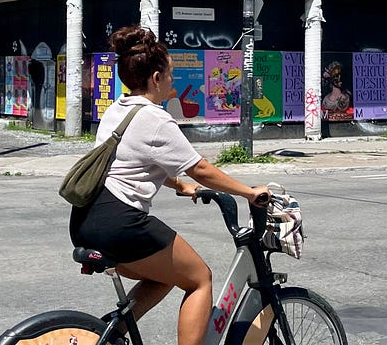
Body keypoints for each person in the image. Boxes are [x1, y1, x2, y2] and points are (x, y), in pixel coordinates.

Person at [70, 26, 270, 345]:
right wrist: (249, 192)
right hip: (122, 224)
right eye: (171, 75)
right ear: (156, 78)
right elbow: (202, 168)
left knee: (164, 276)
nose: (173, 82)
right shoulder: (157, 119)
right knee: (200, 278)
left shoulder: (118, 110)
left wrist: (180, 185)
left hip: (86, 219)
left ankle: (113, 336)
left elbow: (137, 160)